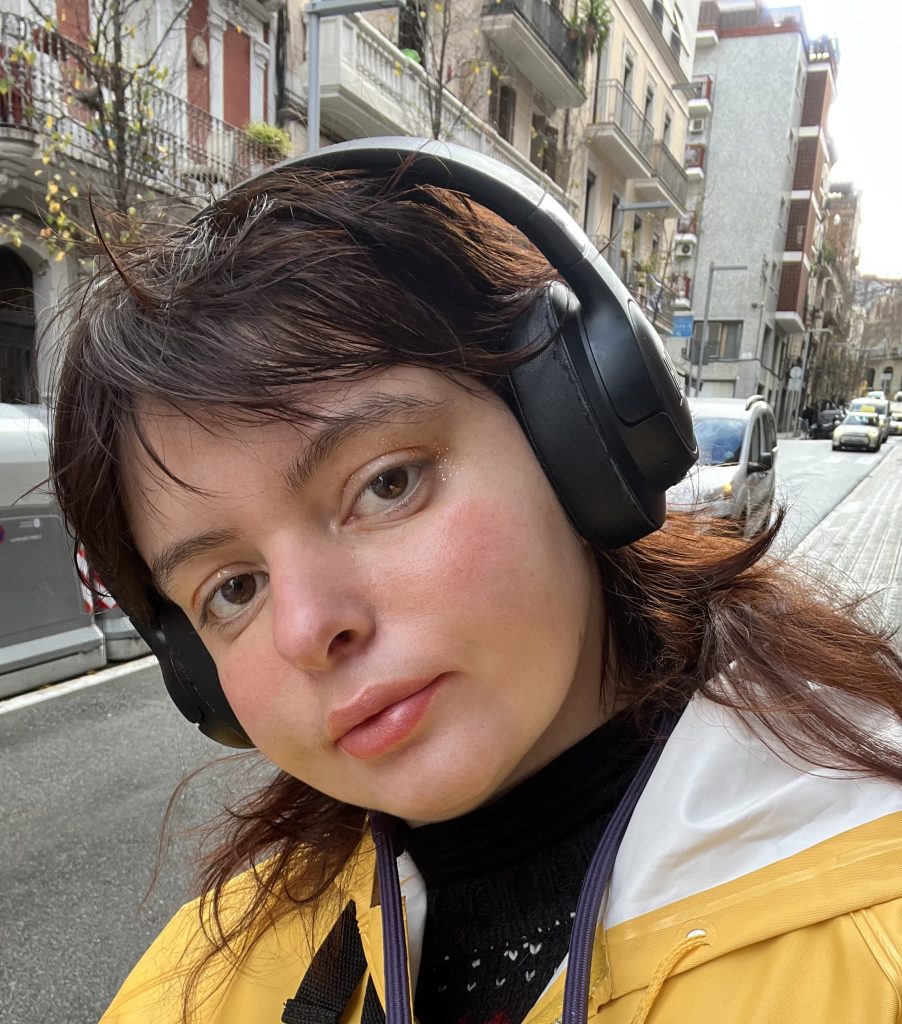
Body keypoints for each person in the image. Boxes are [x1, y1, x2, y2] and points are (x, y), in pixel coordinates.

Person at [50, 140, 902, 1024]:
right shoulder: (195, 986)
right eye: (233, 589)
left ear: (575, 438)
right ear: (194, 669)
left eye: (387, 484)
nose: (307, 629)